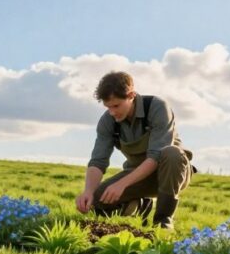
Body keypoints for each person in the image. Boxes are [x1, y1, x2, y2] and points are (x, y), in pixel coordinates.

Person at [75, 71, 195, 230]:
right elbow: (98, 161)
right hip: (137, 175)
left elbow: (155, 156)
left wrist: (122, 184)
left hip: (172, 172)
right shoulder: (108, 121)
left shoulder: (157, 107)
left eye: (116, 105)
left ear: (131, 95)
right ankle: (139, 206)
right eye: (108, 107)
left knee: (171, 153)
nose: (112, 112)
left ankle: (163, 221)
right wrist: (88, 191)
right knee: (97, 200)